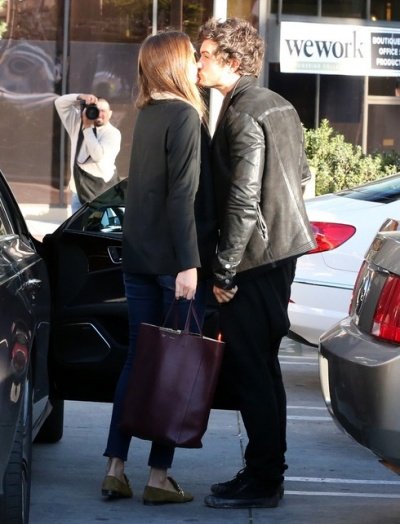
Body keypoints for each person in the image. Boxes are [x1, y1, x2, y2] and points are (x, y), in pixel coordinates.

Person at [197, 17, 316, 509]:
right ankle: (266, 473)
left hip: (253, 261)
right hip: (277, 256)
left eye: (205, 55)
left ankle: (264, 480)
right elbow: (303, 174)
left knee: (252, 370)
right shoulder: (278, 104)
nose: (198, 63)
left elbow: (244, 198)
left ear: (231, 60)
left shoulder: (243, 110)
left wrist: (224, 270)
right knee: (264, 368)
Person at [101, 30, 216, 506]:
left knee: (138, 359)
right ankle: (158, 476)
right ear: (173, 63)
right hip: (174, 262)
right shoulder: (185, 115)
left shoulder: (147, 114)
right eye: (191, 57)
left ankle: (114, 468)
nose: (195, 65)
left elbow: (144, 192)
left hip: (139, 258)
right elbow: (181, 197)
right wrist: (189, 263)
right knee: (174, 364)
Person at [54, 93, 121, 213]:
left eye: (103, 111)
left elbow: (98, 156)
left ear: (110, 113)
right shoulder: (77, 124)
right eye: (95, 110)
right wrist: (81, 97)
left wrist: (88, 128)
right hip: (78, 193)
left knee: (99, 225)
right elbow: (59, 102)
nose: (99, 114)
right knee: (78, 225)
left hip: (102, 193)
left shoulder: (113, 133)